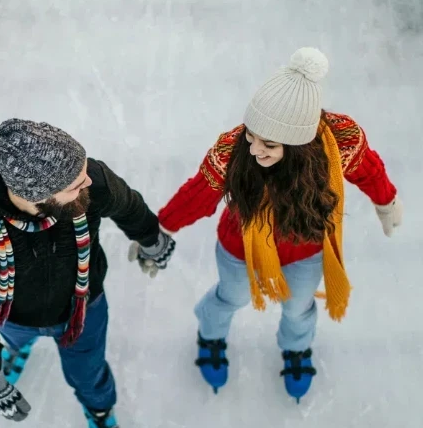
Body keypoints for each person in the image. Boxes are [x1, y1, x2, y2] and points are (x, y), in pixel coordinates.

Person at [157, 47, 403, 402]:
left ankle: (296, 350)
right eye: (251, 136)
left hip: (306, 250)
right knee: (231, 297)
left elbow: (368, 170)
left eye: (269, 144)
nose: (255, 150)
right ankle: (211, 337)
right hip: (240, 247)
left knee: (298, 306)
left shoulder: (337, 144)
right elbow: (199, 193)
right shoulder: (233, 150)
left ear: (299, 144)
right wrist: (162, 227)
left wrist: (386, 201)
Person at [0, 118, 175, 428]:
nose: (88, 182)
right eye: (73, 185)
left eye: (83, 173)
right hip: (15, 315)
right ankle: (16, 351)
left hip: (83, 308)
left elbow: (128, 206)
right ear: (35, 195)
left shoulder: (89, 180)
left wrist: (152, 240)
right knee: (15, 340)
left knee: (89, 373)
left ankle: (99, 413)